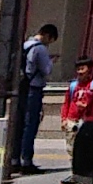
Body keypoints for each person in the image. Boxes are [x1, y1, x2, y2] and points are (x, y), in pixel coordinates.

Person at [10, 22, 55, 174]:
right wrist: (51, 61)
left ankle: (14, 159)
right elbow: (46, 69)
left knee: (19, 123)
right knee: (31, 124)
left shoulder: (25, 45)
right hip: (34, 88)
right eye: (51, 40)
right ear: (47, 36)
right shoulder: (40, 49)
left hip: (22, 87)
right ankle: (26, 160)